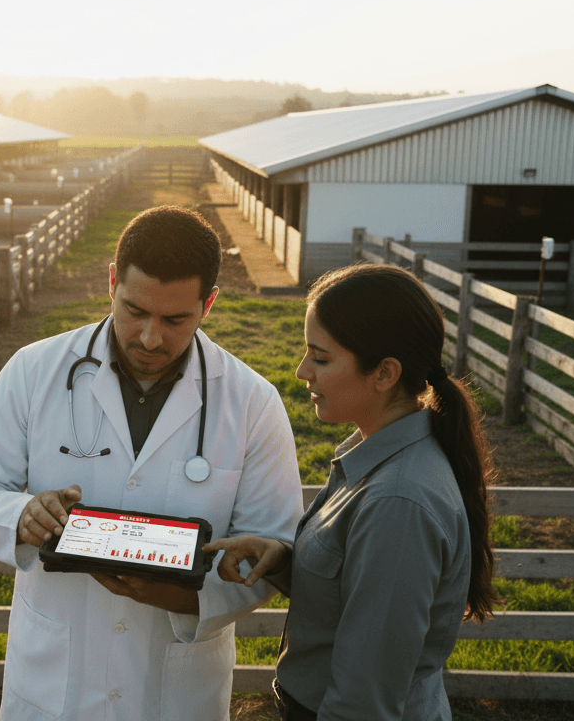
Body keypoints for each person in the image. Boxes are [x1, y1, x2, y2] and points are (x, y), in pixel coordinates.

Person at [0, 206, 301, 721]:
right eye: (134, 310)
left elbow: (272, 545)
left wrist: (184, 599)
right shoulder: (34, 370)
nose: (150, 338)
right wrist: (20, 515)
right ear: (111, 282)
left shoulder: (251, 402)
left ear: (210, 304)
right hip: (54, 682)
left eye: (175, 319)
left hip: (176, 687)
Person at [203, 263, 499, 721]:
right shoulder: (377, 458)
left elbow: (365, 699)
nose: (302, 371)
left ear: (384, 373)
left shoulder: (397, 502)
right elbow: (354, 591)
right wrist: (282, 559)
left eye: (320, 358)